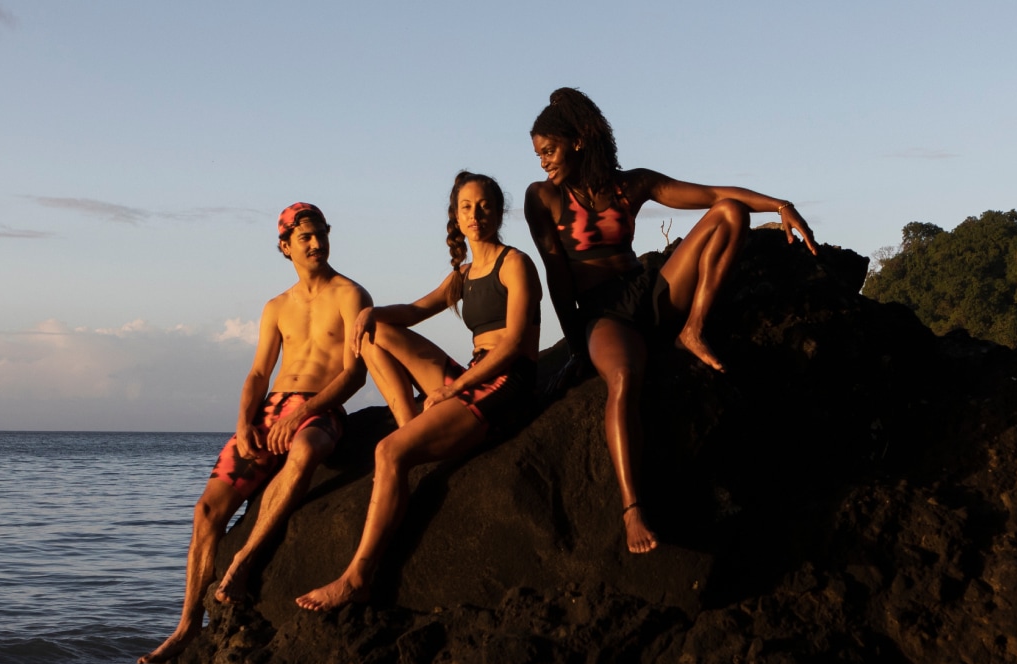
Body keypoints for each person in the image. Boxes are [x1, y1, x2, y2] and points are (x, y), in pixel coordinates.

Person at [523, 87, 819, 554]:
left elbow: (715, 194)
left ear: (578, 140)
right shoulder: (542, 197)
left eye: (548, 151)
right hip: (603, 314)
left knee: (730, 213)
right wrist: (577, 347)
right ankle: (632, 508)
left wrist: (780, 204)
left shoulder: (631, 184)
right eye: (538, 154)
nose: (542, 162)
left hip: (649, 291)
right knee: (623, 379)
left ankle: (692, 329)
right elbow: (557, 277)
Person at [296, 171, 540, 611]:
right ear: (456, 215)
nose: (475, 214)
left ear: (499, 211)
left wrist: (457, 388)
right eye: (466, 207)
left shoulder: (515, 263)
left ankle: (355, 579)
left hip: (507, 381)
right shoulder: (464, 274)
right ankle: (413, 425)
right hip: (474, 375)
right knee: (375, 333)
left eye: (484, 205)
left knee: (389, 452)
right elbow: (413, 311)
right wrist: (368, 313)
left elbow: (515, 343)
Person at [139, 202, 370, 663]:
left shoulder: (350, 294)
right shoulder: (277, 306)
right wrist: (245, 423)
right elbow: (258, 375)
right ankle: (186, 626)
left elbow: (354, 373)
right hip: (271, 410)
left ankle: (242, 562)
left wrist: (302, 411)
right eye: (304, 237)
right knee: (206, 510)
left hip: (319, 407)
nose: (315, 243)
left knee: (304, 451)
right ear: (285, 247)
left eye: (320, 233)